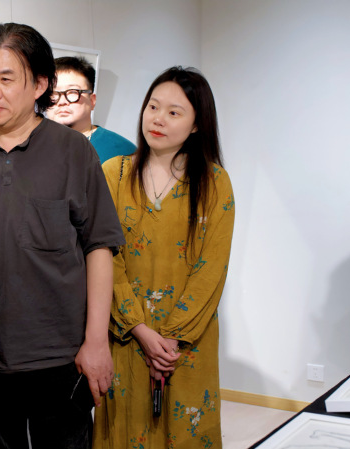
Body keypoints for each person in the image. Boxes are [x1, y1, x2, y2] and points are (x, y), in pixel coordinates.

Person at [0, 23, 125, 448]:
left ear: (39, 84)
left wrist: (96, 341)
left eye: (6, 79)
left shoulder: (74, 152)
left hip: (60, 356)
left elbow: (99, 248)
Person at [94, 67, 234, 447]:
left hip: (186, 342)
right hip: (126, 334)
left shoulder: (214, 182)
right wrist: (140, 329)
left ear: (196, 124)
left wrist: (170, 340)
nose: (158, 119)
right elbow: (105, 257)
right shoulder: (113, 173)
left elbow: (212, 268)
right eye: (153, 107)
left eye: (174, 112)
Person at [46, 56, 135, 162]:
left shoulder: (122, 152)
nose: (62, 101)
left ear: (92, 101)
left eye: (72, 92)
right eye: (52, 93)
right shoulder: (32, 144)